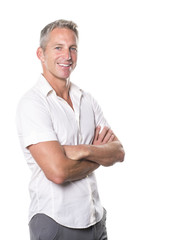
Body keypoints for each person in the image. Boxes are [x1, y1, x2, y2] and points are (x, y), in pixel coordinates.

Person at [16, 19, 125, 240]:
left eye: (72, 48)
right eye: (58, 48)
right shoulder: (33, 103)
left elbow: (118, 152)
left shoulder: (86, 99)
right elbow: (58, 172)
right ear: (41, 54)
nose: (67, 56)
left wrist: (81, 150)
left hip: (95, 219)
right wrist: (99, 154)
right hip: (56, 222)